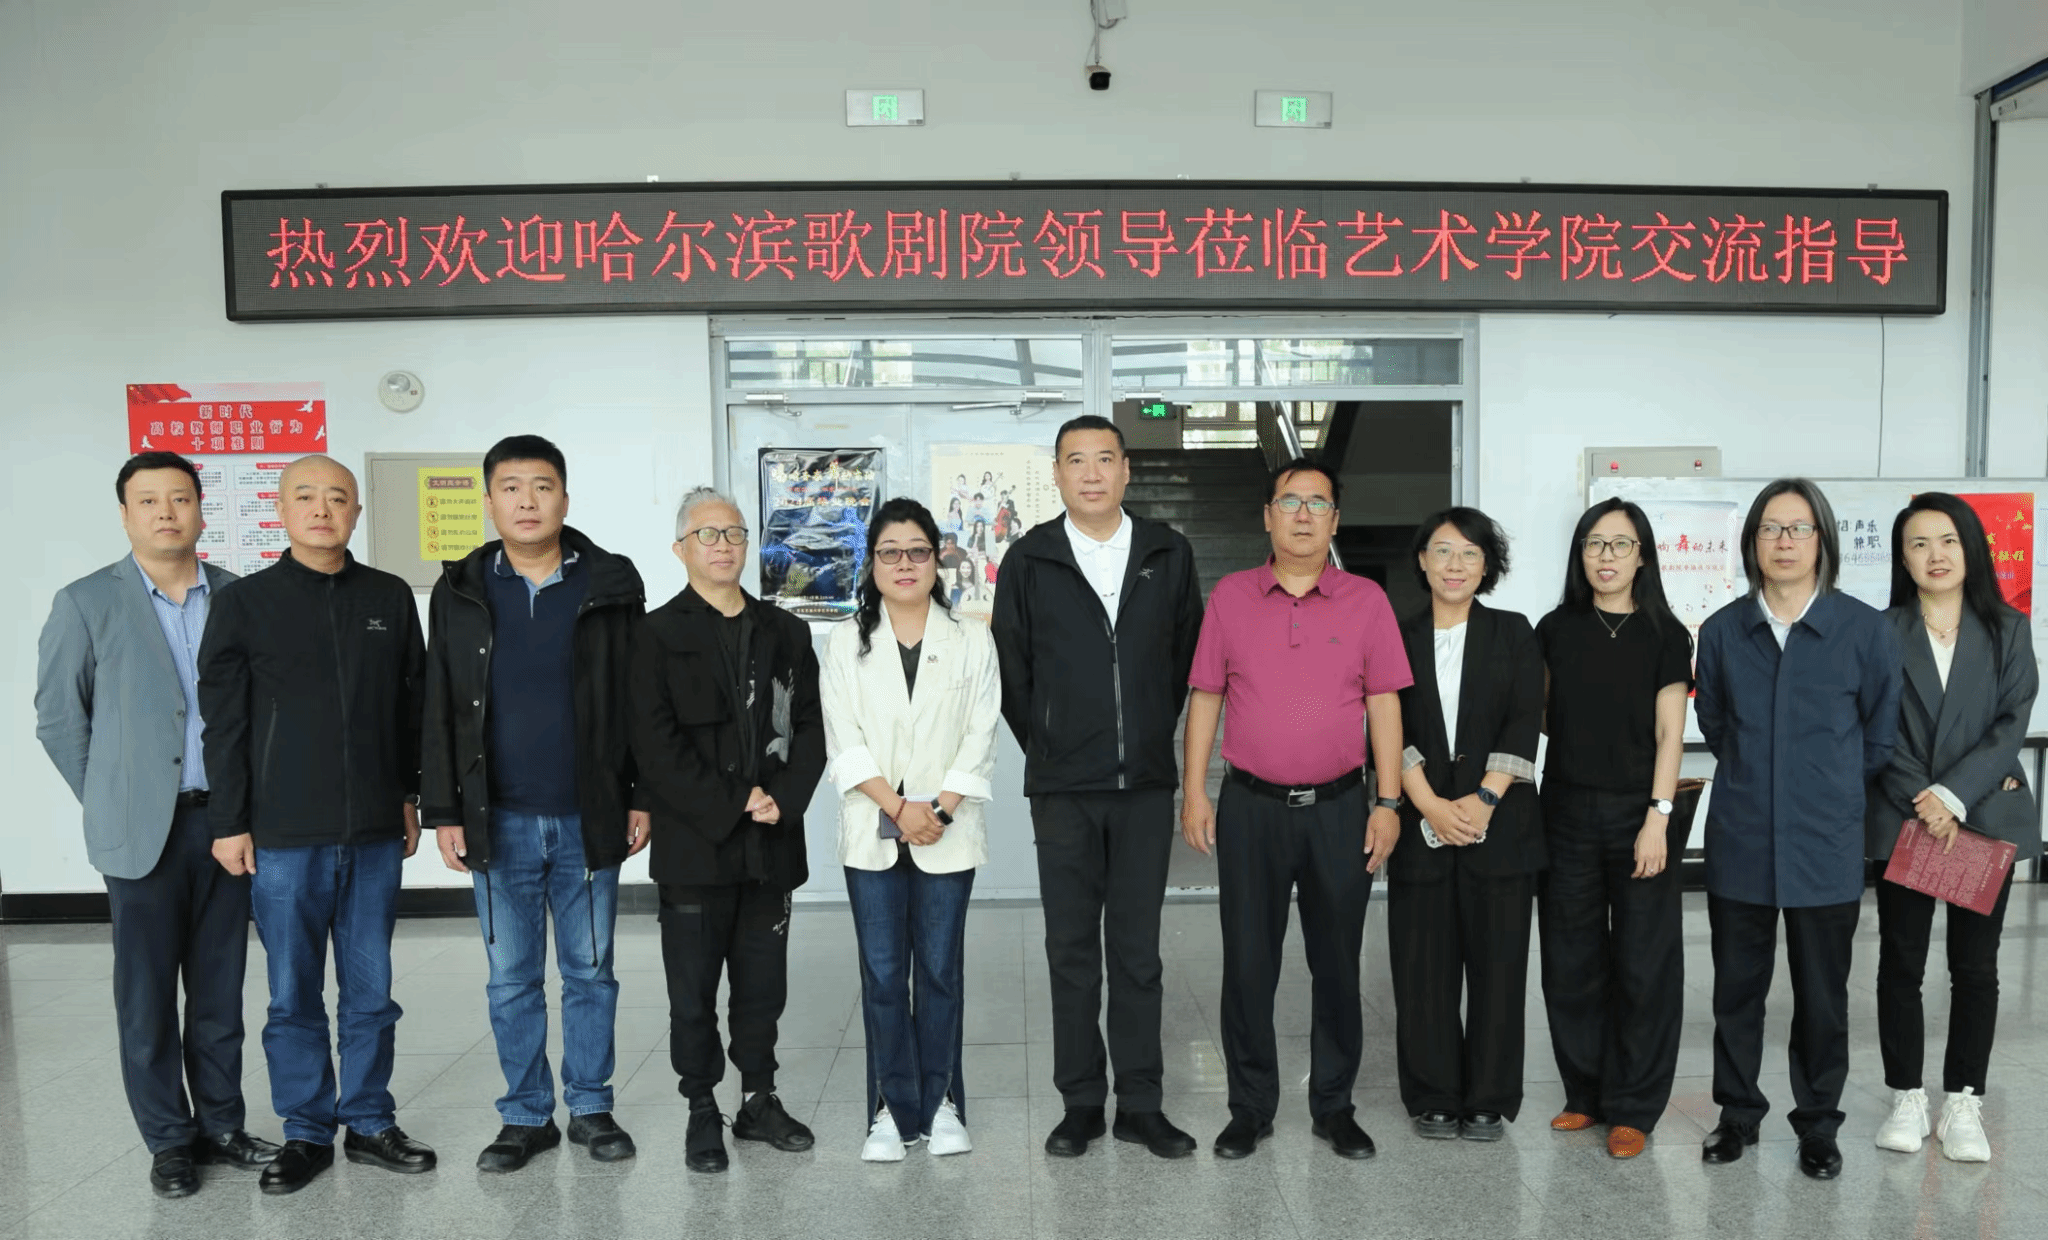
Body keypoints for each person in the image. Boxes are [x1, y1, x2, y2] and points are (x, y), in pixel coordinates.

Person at [34, 452, 279, 1199]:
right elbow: (59, 719)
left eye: (179, 498)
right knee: (145, 999)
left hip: (227, 826)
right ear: (125, 514)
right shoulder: (85, 602)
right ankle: (169, 1140)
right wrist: (112, 799)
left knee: (219, 992)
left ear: (202, 510)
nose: (166, 512)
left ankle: (223, 1125)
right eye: (148, 500)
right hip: (141, 835)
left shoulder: (239, 596)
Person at [197, 453, 433, 1195]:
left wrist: (409, 795)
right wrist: (230, 820)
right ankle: (305, 1130)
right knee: (292, 993)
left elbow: (412, 706)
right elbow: (223, 724)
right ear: (282, 509)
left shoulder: (388, 596)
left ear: (357, 512)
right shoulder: (245, 603)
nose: (322, 510)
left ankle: (368, 1121)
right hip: (283, 835)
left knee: (371, 990)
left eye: (337, 498)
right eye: (306, 496)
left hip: (373, 833)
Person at [419, 435, 649, 1173]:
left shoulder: (611, 582)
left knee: (590, 973)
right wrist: (442, 810)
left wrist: (641, 795)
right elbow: (439, 702)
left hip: (590, 814)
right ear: (490, 501)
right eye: (511, 488)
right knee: (511, 979)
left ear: (565, 499)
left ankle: (591, 1107)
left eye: (542, 486)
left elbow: (638, 697)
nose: (527, 501)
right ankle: (525, 1116)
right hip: (497, 818)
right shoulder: (459, 589)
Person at [1182, 457, 1410, 1162]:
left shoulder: (1367, 600)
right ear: (1267, 516)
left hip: (1340, 809)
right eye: (1290, 502)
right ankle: (1250, 1108)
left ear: (1335, 520)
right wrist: (1195, 790)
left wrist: (1389, 801)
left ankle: (1334, 1107)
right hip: (1251, 807)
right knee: (1249, 964)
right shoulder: (1231, 596)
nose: (1303, 514)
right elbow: (1206, 696)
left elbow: (1384, 704)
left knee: (1337, 964)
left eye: (1318, 503)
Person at [992, 414, 1204, 1160]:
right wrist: (1054, 744)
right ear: (1055, 474)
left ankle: (1141, 1103)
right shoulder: (1030, 557)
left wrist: (1141, 734)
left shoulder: (1167, 552)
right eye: (1075, 460)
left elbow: (1184, 659)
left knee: (1138, 954)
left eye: (1104, 459)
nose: (1091, 473)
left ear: (1125, 471)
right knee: (1072, 951)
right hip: (1063, 790)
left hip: (1143, 785)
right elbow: (1012, 669)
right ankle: (1081, 1102)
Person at [1693, 478, 1901, 1181]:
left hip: (1826, 841)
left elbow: (1879, 737)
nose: (1784, 542)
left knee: (1822, 995)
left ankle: (1817, 1124)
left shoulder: (1864, 630)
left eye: (1799, 528)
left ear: (1823, 541)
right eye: (1770, 529)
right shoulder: (1723, 631)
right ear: (1752, 542)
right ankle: (1737, 1115)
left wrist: (1826, 787)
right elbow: (1717, 725)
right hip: (1743, 837)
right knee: (1737, 990)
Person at [630, 486, 828, 1174]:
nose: (722, 546)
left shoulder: (786, 631)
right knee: (692, 992)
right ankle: (700, 1108)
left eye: (734, 534)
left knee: (762, 986)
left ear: (749, 545)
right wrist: (736, 800)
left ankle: (758, 1100)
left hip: (771, 842)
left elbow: (811, 726)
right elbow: (654, 745)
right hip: (695, 845)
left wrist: (784, 799)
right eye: (707, 535)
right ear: (680, 549)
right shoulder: (653, 635)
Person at [820, 498, 1003, 1162]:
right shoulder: (845, 641)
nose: (905, 563)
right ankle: (889, 1111)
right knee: (882, 974)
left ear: (937, 559)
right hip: (874, 826)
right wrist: (900, 810)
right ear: (872, 564)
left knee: (940, 971)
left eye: (918, 551)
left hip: (947, 829)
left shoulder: (971, 638)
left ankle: (944, 1102)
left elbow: (981, 733)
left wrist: (940, 810)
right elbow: (844, 740)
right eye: (890, 552)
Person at [1867, 493, 2038, 1164]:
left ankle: (1964, 1101)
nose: (1935, 555)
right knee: (1900, 964)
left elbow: (2011, 722)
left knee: (1975, 968)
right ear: (1902, 558)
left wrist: (1951, 794)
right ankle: (1907, 1095)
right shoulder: (1881, 631)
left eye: (1948, 541)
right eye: (1918, 543)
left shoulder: (2008, 629)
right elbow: (1874, 726)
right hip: (1905, 816)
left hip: (1979, 816)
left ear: (1971, 550)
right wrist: (1924, 796)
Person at [1534, 499, 1693, 1159]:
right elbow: (1542, 717)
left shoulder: (1666, 634)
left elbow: (1669, 735)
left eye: (1620, 544)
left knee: (1644, 962)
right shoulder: (1553, 628)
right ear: (1580, 555)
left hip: (1640, 814)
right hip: (1564, 811)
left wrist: (1658, 816)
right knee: (1570, 958)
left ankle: (1634, 1107)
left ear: (1642, 556)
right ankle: (1586, 1093)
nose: (1606, 556)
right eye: (1594, 543)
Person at [1389, 507, 1542, 1145]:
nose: (1456, 565)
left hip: (1500, 825)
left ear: (1487, 567)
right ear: (1422, 560)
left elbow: (1524, 718)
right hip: (1420, 822)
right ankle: (1432, 1094)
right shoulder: (1394, 634)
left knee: (1498, 969)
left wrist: (1483, 799)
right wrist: (1427, 802)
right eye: (1444, 551)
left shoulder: (1514, 631)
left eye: (1470, 554)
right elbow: (1383, 723)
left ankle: (1488, 1098)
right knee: (1422, 968)